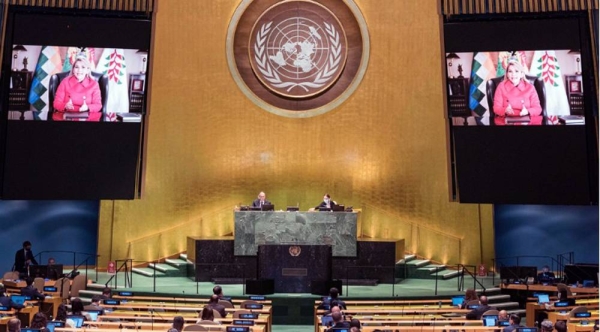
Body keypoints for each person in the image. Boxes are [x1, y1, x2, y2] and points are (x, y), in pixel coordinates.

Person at [52, 56, 102, 122]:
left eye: (83, 67)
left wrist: (87, 107)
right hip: (67, 117)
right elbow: (56, 103)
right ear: (73, 69)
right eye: (76, 67)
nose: (79, 70)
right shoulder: (65, 82)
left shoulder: (94, 84)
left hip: (87, 118)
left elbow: (98, 105)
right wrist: (65, 106)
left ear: (87, 70)